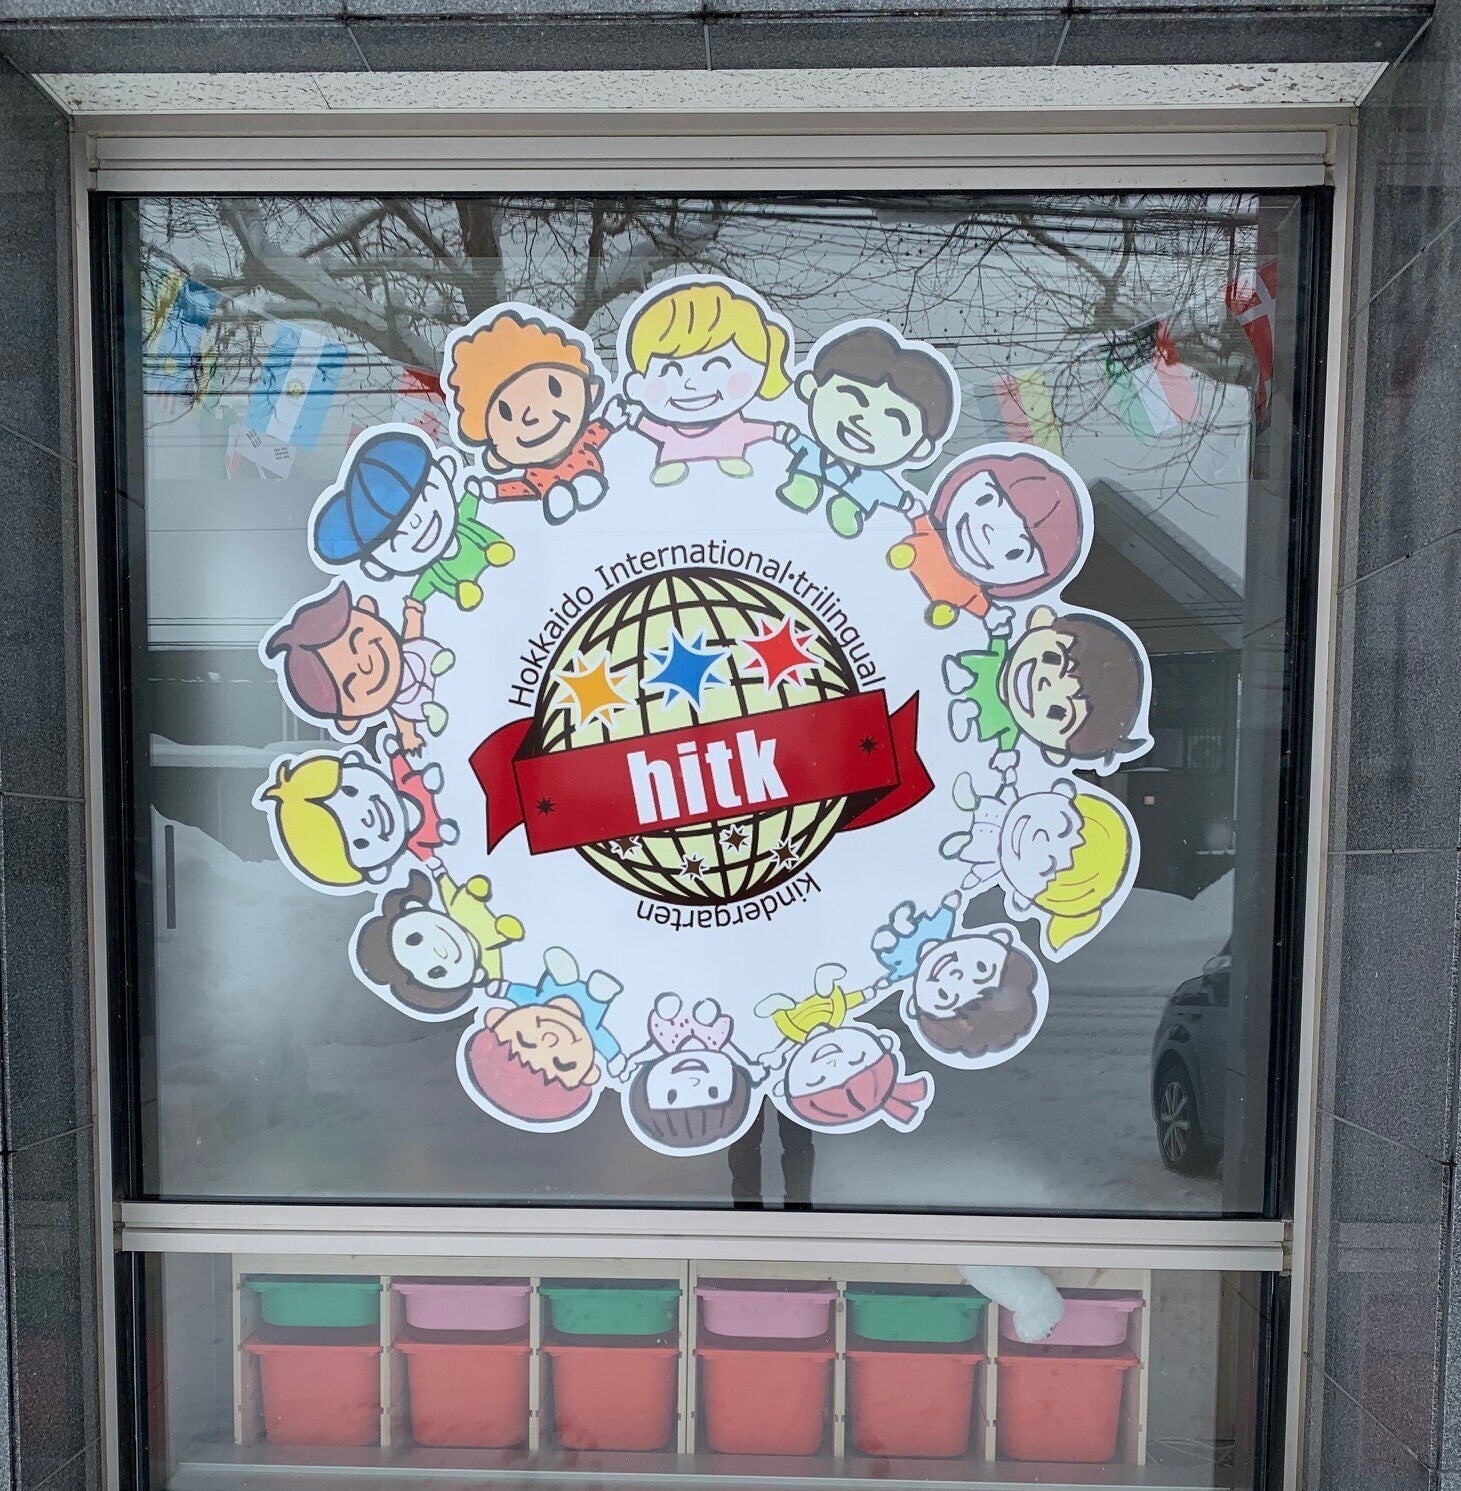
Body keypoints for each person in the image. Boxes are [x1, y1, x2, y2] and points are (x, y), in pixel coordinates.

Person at [777, 322, 956, 538]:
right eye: (852, 397)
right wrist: (781, 434)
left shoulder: (875, 481)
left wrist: (914, 510)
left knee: (867, 490)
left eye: (893, 420)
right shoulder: (811, 451)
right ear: (810, 387)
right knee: (808, 466)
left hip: (851, 549)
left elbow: (900, 498)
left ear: (920, 447)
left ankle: (847, 509)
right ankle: (804, 486)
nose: (863, 422)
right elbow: (792, 439)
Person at [613, 278, 793, 485]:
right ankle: (672, 464)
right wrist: (633, 417)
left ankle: (729, 457)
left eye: (718, 366)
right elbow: (652, 429)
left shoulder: (733, 427)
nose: (691, 384)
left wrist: (776, 431)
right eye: (670, 371)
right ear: (637, 384)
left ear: (761, 367)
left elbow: (750, 430)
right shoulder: (670, 430)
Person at [446, 306, 615, 524]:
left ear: (589, 390)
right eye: (506, 413)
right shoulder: (534, 476)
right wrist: (493, 489)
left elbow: (601, 430)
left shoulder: (584, 441)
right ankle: (560, 498)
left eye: (554, 387)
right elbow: (521, 488)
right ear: (495, 456)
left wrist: (614, 418)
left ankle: (582, 486)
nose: (531, 417)